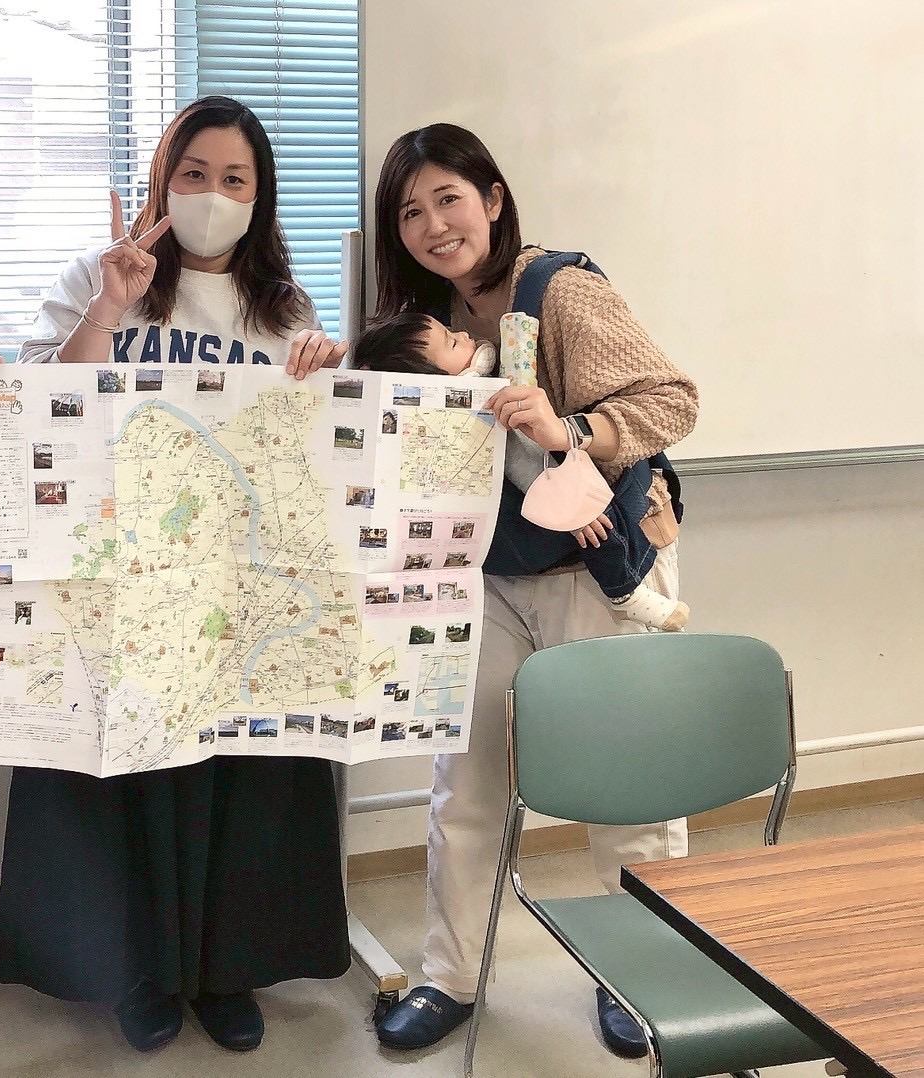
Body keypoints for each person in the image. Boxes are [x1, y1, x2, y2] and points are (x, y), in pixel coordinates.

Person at [0, 95, 351, 1055]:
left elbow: (306, 449)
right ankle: (139, 974)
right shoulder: (99, 275)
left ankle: (227, 972)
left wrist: (327, 376)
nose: (212, 196)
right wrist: (109, 307)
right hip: (120, 581)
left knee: (240, 781)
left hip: (235, 587)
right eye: (193, 174)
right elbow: (35, 407)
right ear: (161, 180)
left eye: (235, 179)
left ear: (260, 197)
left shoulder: (283, 307)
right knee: (131, 782)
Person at [366, 123, 698, 1059]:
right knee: (464, 783)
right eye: (411, 212)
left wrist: (572, 430)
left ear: (493, 199)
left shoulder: (559, 290)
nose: (434, 225)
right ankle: (450, 977)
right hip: (484, 577)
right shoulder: (423, 317)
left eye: (449, 199)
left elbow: (672, 399)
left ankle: (637, 973)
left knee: (628, 781)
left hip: (595, 570)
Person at [352, 311, 690, 631]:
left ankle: (626, 589)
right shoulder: (481, 408)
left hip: (537, 537)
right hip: (548, 510)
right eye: (452, 342)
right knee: (600, 529)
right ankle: (625, 592)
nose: (464, 334)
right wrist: (572, 509)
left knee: (601, 526)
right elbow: (523, 461)